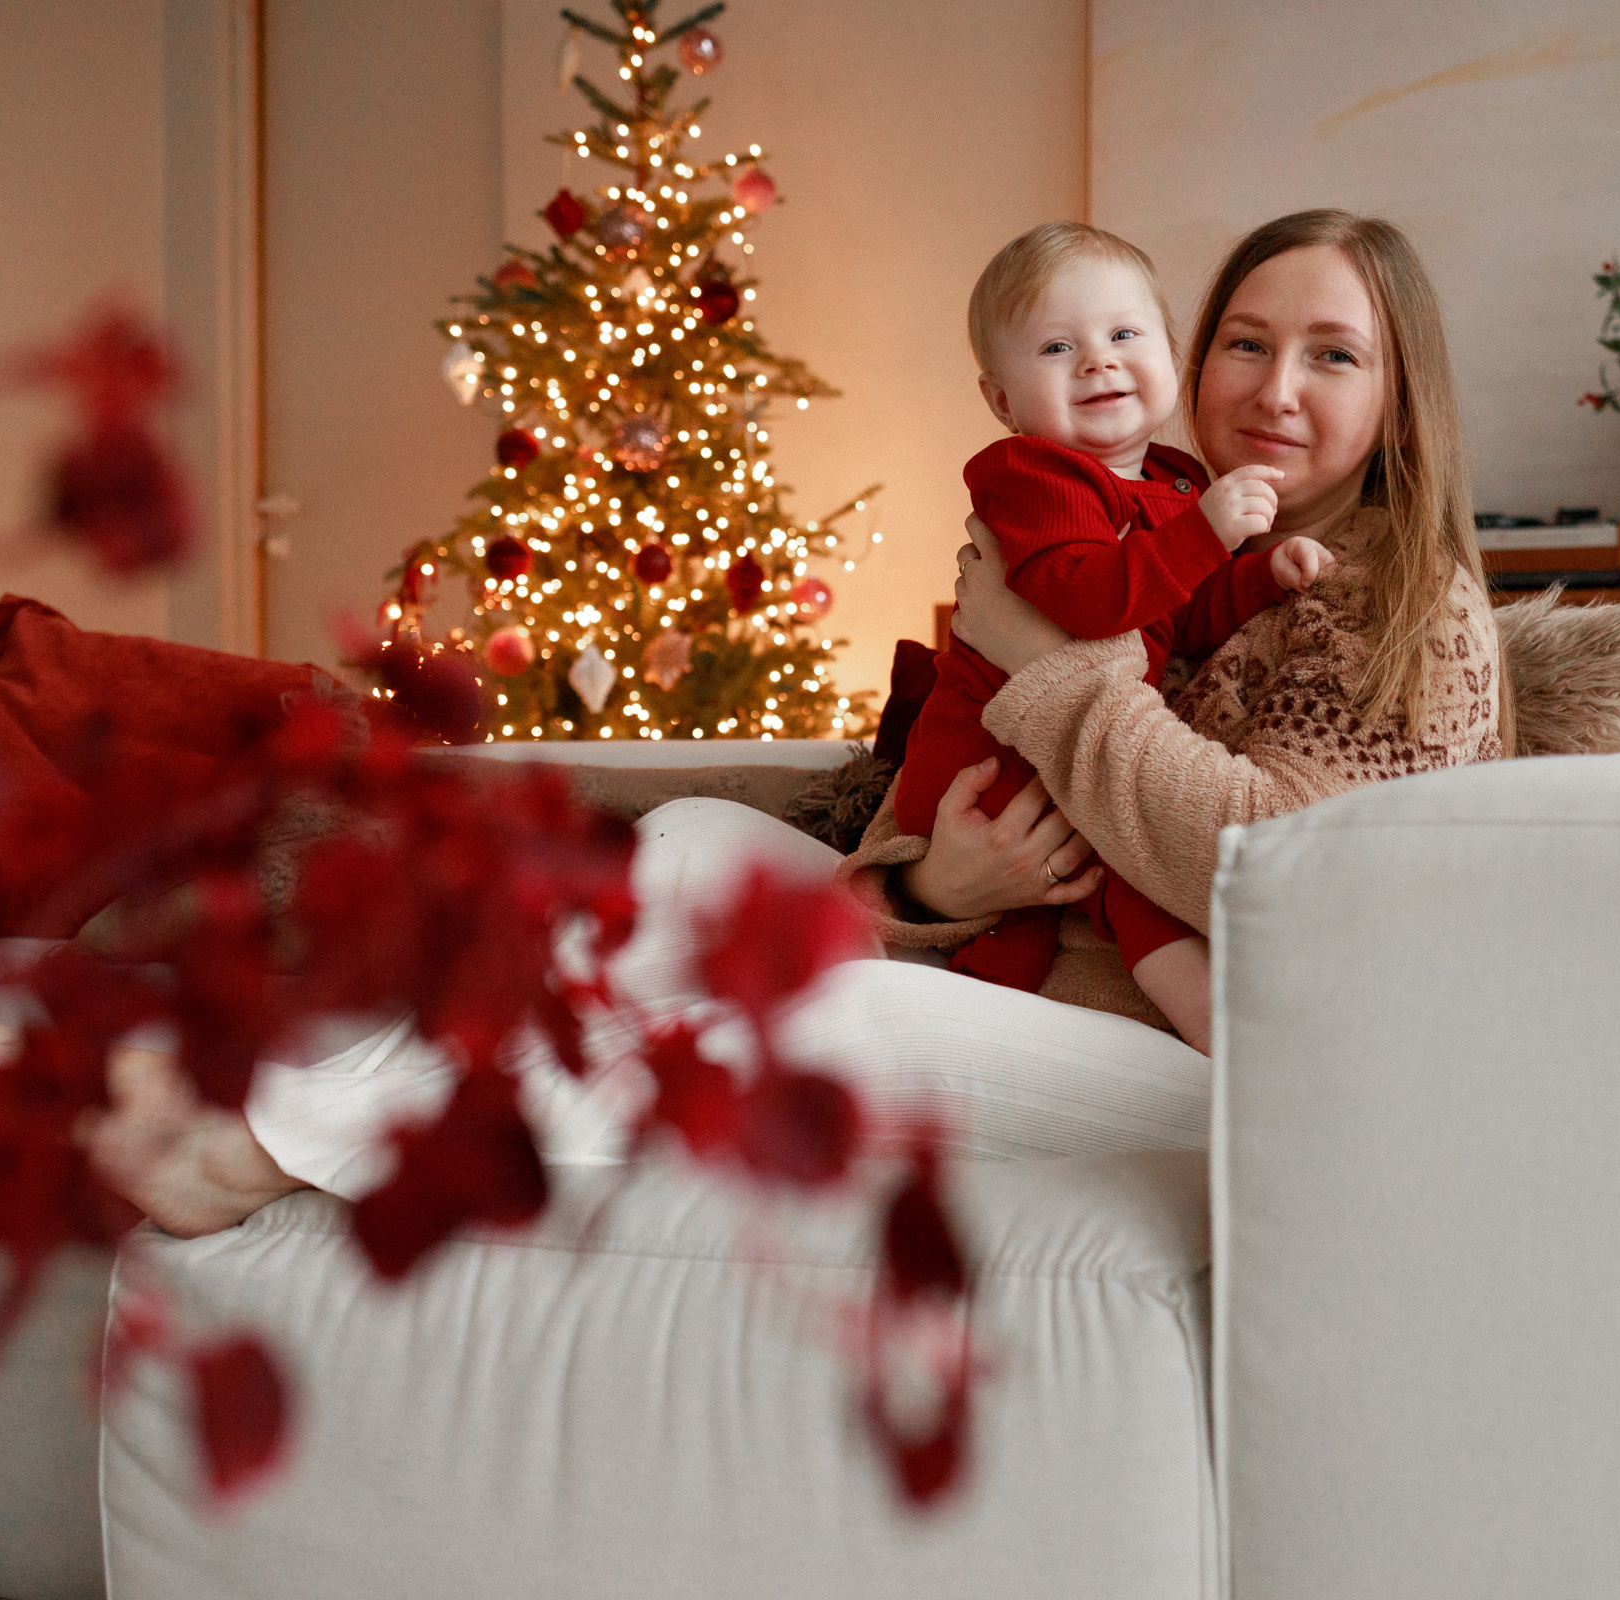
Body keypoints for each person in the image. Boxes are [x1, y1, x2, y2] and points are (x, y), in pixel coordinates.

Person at [89, 208, 1512, 1237]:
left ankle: (271, 1137)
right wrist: (936, 882)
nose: (1273, 388)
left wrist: (1045, 665)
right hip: (1055, 980)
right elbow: (1003, 785)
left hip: (1234, 1064)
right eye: (1248, 342)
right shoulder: (1156, 523)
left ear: (1399, 404)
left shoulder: (1414, 612)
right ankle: (330, 1082)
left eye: (1333, 357)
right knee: (701, 843)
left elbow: (1294, 876)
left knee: (818, 1006)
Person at [895, 220, 1326, 1047]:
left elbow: (1182, 612)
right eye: (1056, 348)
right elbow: (1087, 602)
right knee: (1106, 886)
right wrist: (1204, 535)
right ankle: (1227, 1041)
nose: (1097, 360)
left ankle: (1212, 1040)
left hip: (1056, 754)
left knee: (1113, 884)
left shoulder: (1177, 481)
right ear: (1002, 402)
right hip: (986, 755)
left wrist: (1256, 575)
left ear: (1168, 354)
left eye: (1124, 334)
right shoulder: (1030, 477)